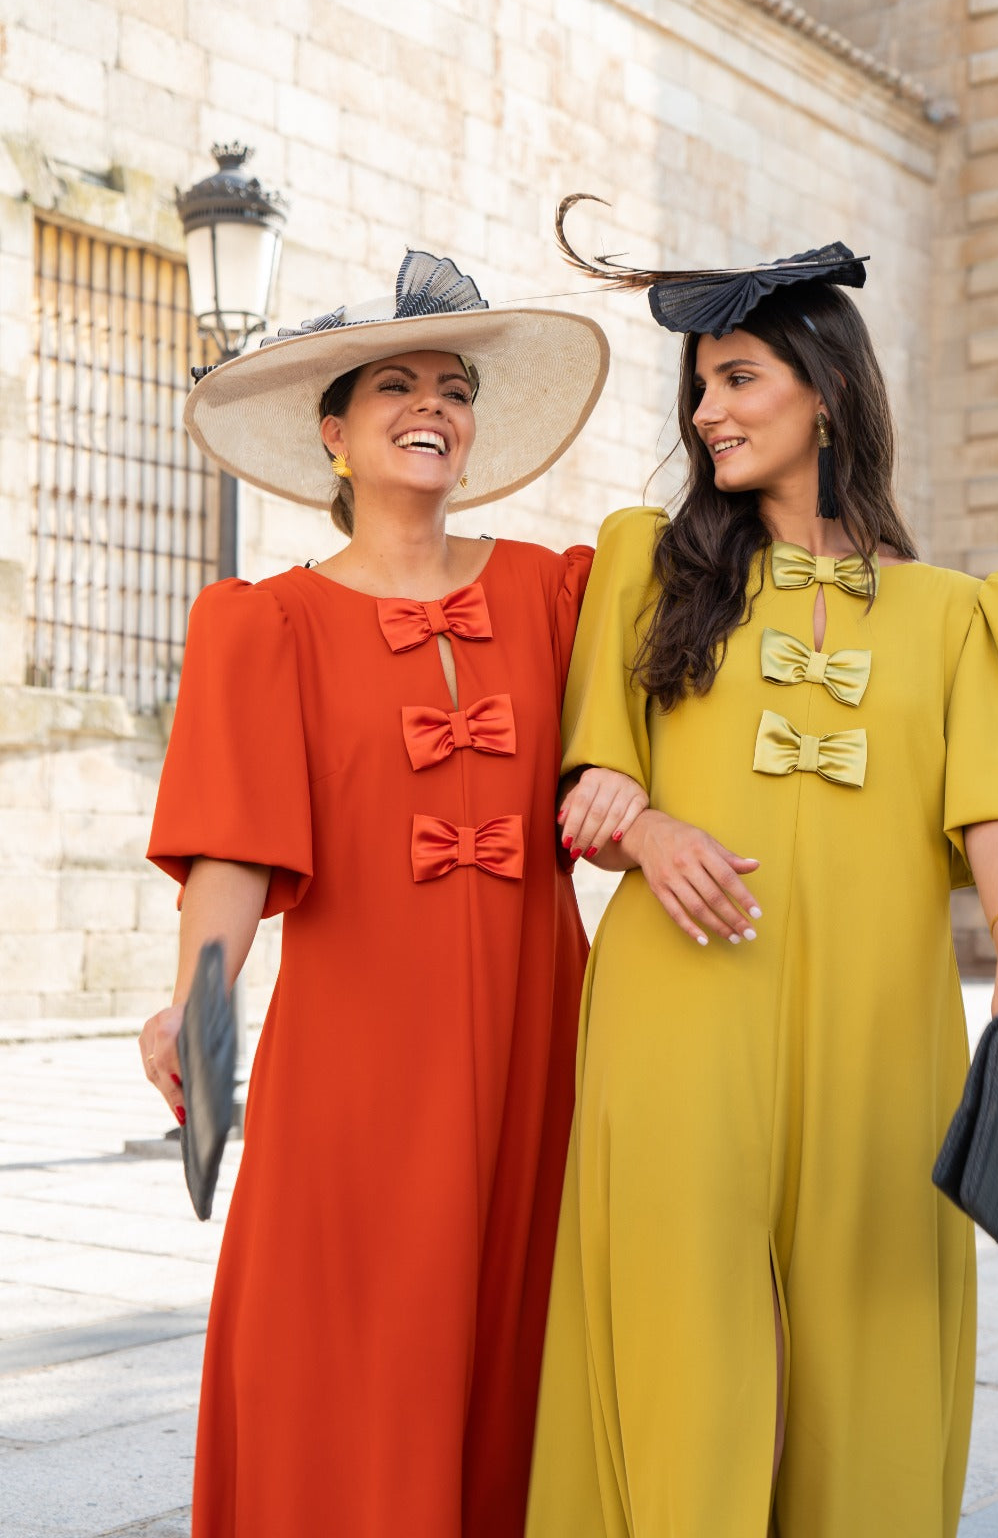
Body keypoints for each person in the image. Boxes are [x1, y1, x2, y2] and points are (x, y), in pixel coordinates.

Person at [525, 222, 998, 1537]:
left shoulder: (960, 614)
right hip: (678, 1008)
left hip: (881, 1024)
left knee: (871, 1343)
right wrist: (651, 833)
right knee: (684, 1342)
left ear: (823, 392)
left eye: (737, 378)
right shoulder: (647, 564)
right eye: (698, 387)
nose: (706, 412)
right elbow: (592, 790)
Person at [137, 250, 644, 1538]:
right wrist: (197, 998)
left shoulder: (556, 592)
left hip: (537, 1037)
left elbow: (635, 747)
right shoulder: (266, 624)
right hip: (357, 1049)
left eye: (455, 389)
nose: (433, 407)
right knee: (350, 1339)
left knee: (520, 1332)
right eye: (397, 388)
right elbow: (233, 844)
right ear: (335, 433)